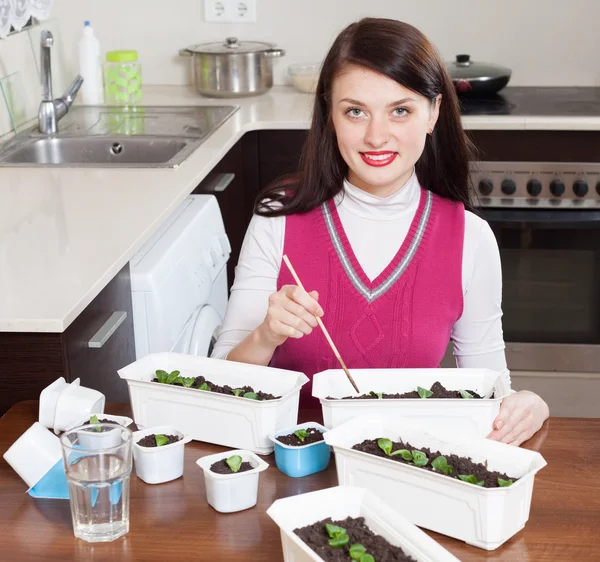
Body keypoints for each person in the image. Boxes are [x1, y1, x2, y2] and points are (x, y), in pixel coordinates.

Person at [211, 17, 549, 446]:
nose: (376, 136)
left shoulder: (471, 238)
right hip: (292, 469)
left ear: (433, 113)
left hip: (408, 467)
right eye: (355, 111)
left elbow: (491, 391)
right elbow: (223, 378)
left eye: (400, 111)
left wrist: (529, 404)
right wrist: (266, 335)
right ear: (329, 116)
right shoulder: (277, 219)